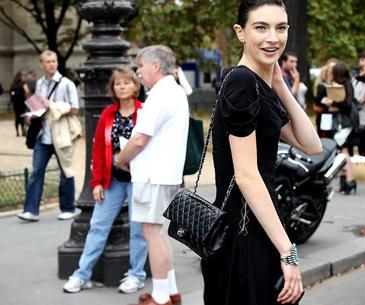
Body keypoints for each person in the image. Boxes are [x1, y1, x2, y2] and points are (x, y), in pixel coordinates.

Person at [201, 1, 322, 305]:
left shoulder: (256, 84)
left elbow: (311, 144)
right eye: (261, 27)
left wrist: (280, 84)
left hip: (258, 225)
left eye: (280, 27)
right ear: (240, 33)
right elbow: (246, 175)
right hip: (244, 232)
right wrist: (289, 252)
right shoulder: (242, 83)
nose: (273, 38)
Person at [62, 66, 148, 294]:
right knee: (98, 226)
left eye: (126, 82)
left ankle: (137, 274)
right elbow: (98, 150)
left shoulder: (145, 112)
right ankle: (82, 275)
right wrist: (97, 182)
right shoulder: (108, 115)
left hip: (139, 180)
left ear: (135, 86)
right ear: (113, 88)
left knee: (138, 229)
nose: (122, 86)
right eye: (118, 83)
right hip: (113, 180)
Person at [116, 45, 189, 305]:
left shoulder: (160, 94)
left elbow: (139, 139)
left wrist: (120, 159)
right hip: (166, 173)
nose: (138, 71)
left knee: (151, 233)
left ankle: (160, 297)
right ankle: (170, 290)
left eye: (141, 65)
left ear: (155, 66)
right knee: (157, 232)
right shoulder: (176, 90)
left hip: (151, 175)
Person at [17, 50, 81, 222]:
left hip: (61, 134)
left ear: (57, 63)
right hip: (42, 135)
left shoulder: (67, 84)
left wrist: (51, 105)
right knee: (37, 172)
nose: (51, 64)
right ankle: (31, 210)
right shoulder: (39, 84)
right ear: (42, 64)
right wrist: (32, 116)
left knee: (65, 171)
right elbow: (38, 107)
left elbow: (75, 108)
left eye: (53, 61)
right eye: (48, 61)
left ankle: (68, 208)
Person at [325, 61, 358, 195]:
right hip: (342, 121)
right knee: (342, 151)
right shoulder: (344, 84)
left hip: (344, 122)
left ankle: (349, 180)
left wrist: (334, 102)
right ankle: (346, 181)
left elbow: (348, 104)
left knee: (344, 151)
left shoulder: (346, 84)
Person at [313, 58, 337, 138]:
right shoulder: (322, 86)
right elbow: (317, 101)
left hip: (334, 116)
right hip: (325, 116)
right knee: (325, 137)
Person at [9, 70, 30, 136]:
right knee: (22, 116)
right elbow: (27, 91)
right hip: (22, 102)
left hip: (15, 103)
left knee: (17, 117)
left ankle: (17, 132)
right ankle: (23, 131)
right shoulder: (23, 83)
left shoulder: (13, 84)